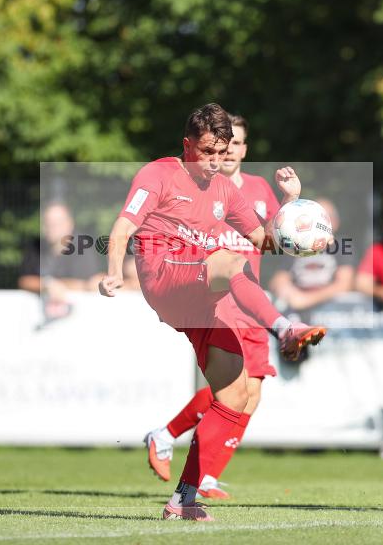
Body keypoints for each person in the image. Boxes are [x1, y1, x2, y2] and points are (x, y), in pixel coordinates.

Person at [99, 103, 326, 521]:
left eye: (222, 153)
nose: (216, 162)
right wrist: (114, 271)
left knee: (235, 394)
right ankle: (284, 328)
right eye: (207, 152)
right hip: (165, 277)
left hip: (200, 299)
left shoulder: (224, 188)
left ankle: (183, 500)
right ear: (187, 145)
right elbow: (124, 226)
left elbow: (265, 241)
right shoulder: (159, 173)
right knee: (229, 258)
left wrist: (293, 212)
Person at [142, 113, 281, 499]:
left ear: (244, 149)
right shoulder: (201, 187)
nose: (228, 152)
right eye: (223, 146)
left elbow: (273, 236)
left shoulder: (256, 189)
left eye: (236, 145)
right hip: (221, 299)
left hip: (250, 296)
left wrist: (295, 213)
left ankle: (189, 462)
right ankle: (197, 474)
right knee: (234, 389)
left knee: (248, 394)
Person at [18, 201, 102, 319]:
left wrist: (53, 285)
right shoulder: (35, 247)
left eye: (57, 223)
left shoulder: (83, 248)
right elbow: (25, 281)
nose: (51, 227)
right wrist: (47, 285)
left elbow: (90, 284)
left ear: (69, 224)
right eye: (47, 223)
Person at [269, 198, 354, 311]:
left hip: (332, 313)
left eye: (326, 218)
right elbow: (278, 280)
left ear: (336, 222)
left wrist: (306, 300)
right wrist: (285, 289)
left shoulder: (341, 246)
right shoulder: (295, 245)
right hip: (298, 314)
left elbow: (344, 284)